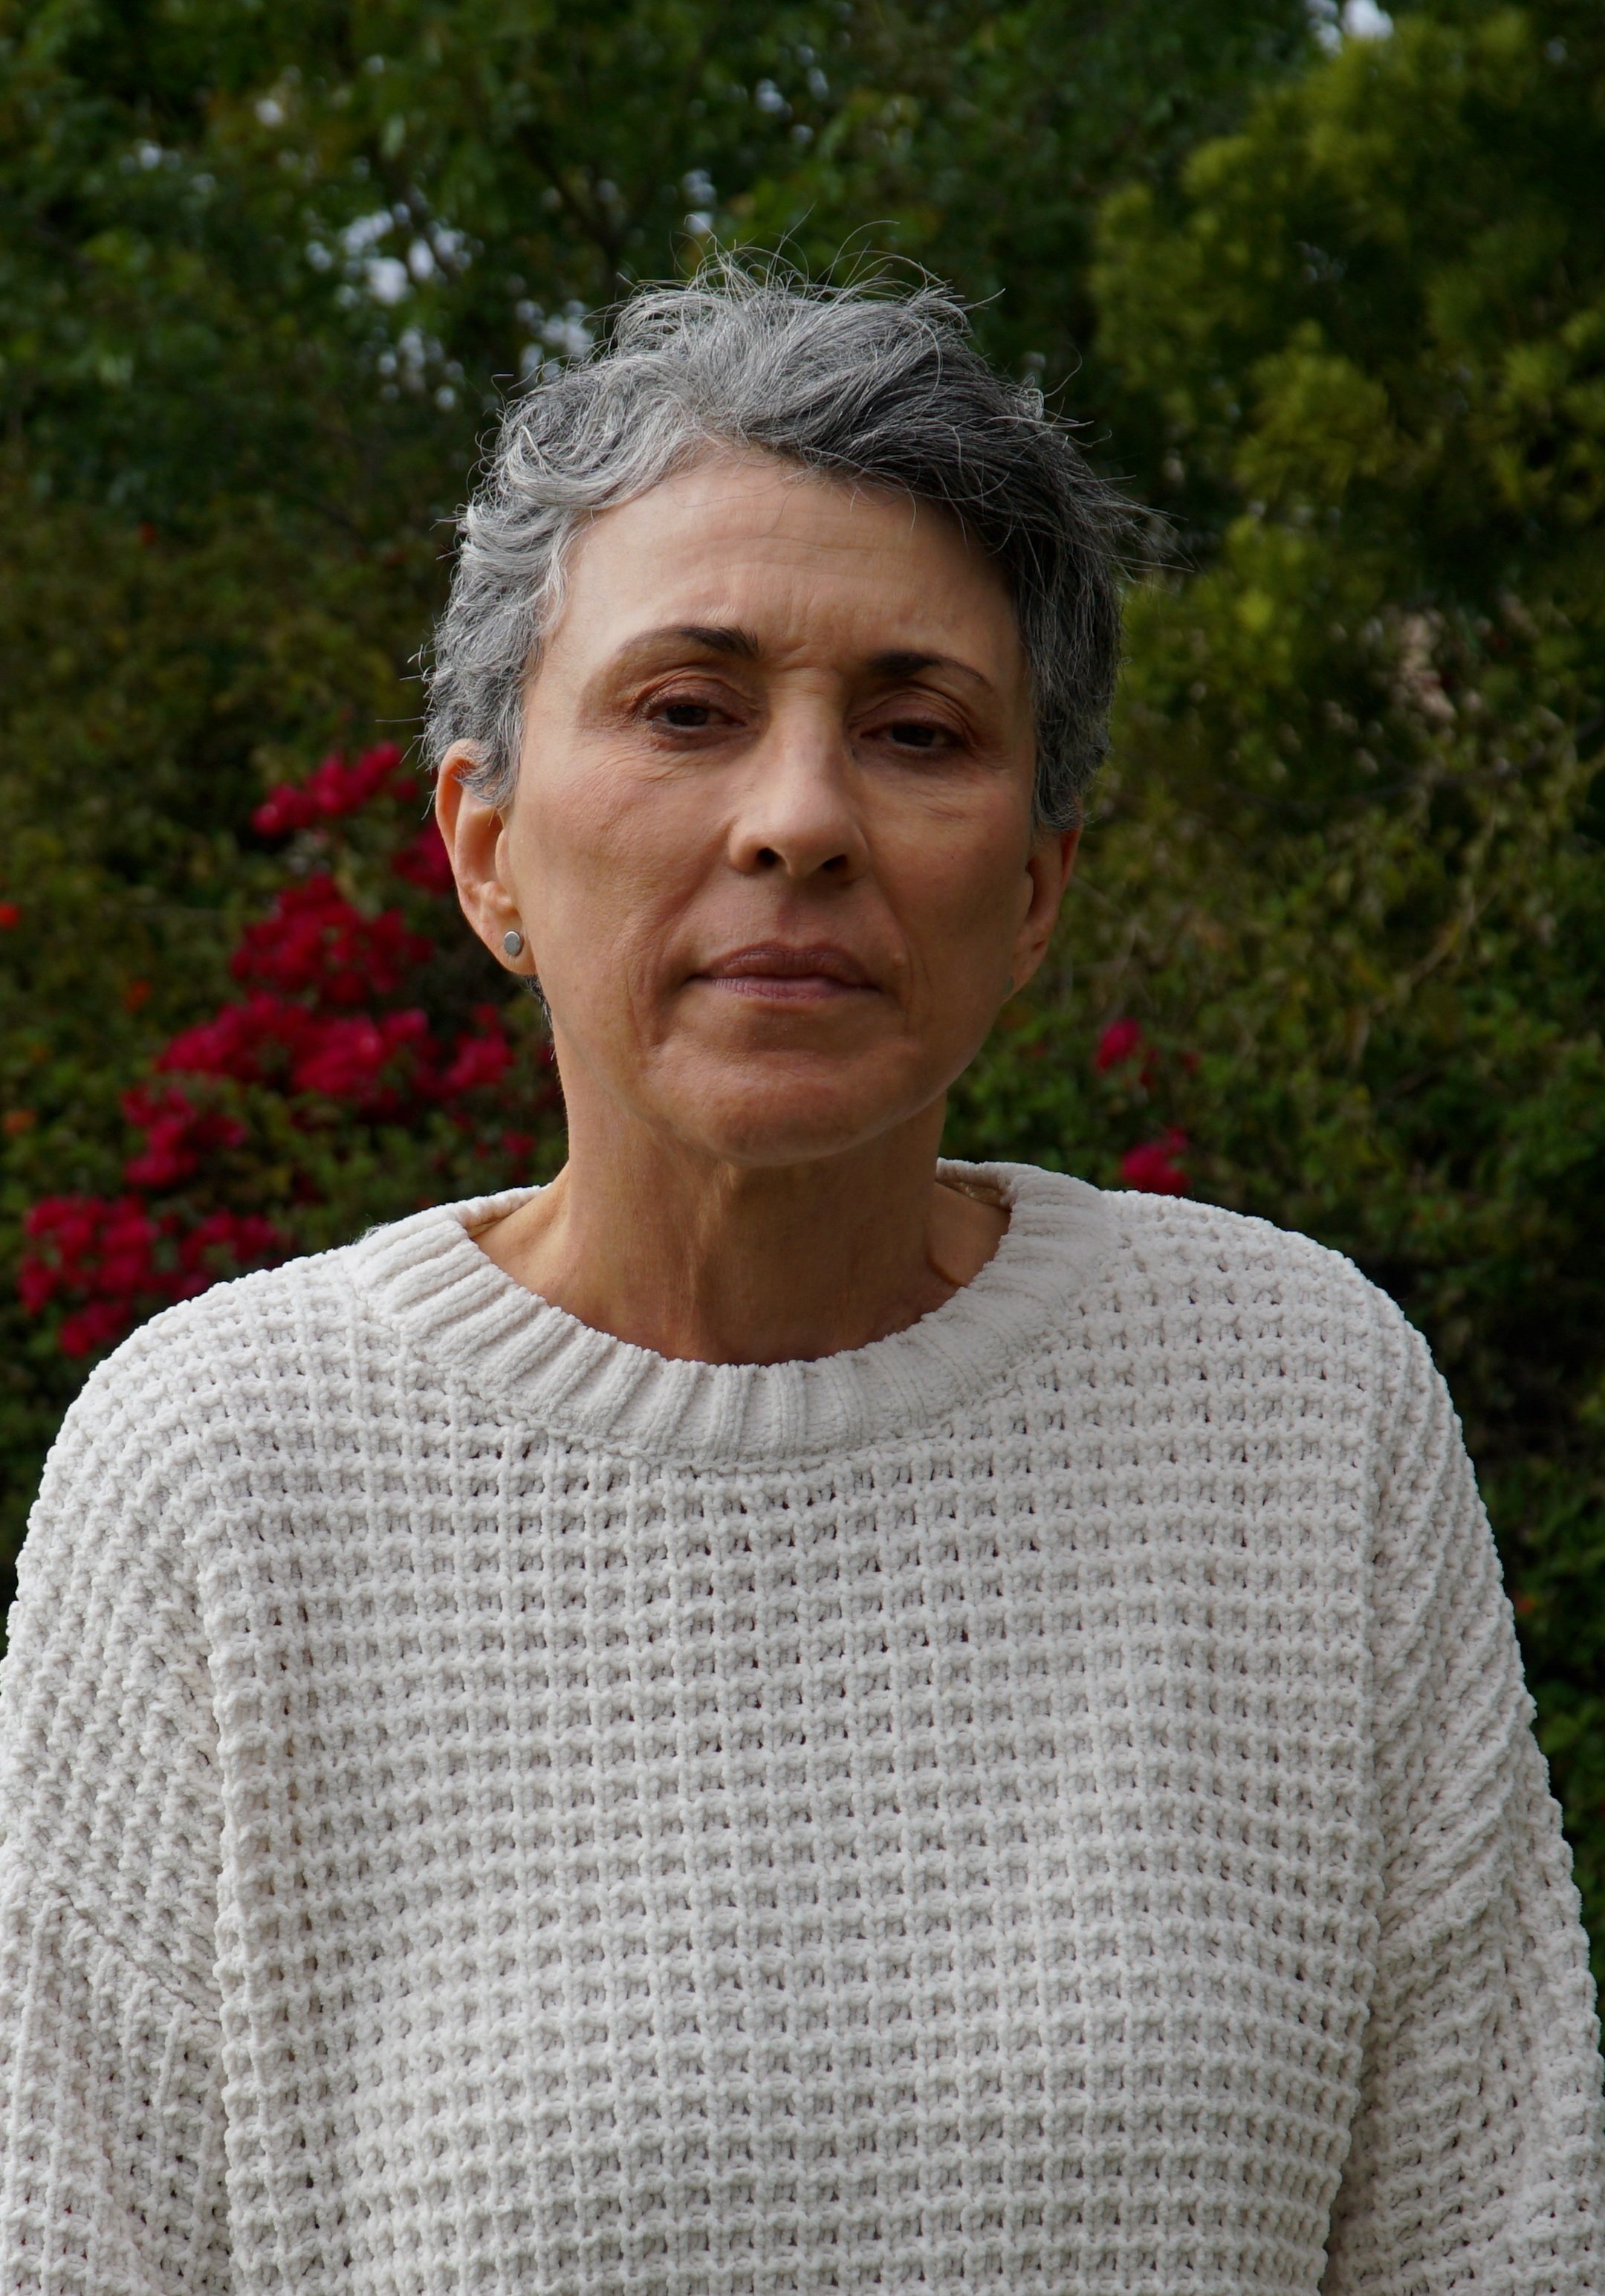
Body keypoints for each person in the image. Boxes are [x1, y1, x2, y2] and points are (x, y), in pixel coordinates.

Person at [0, 264, 1599, 2295]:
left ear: (1036, 888)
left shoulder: (1298, 1406)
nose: (802, 820)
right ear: (485, 847)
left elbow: (1505, 2243)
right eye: (687, 710)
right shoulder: (219, 1471)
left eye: (920, 732)